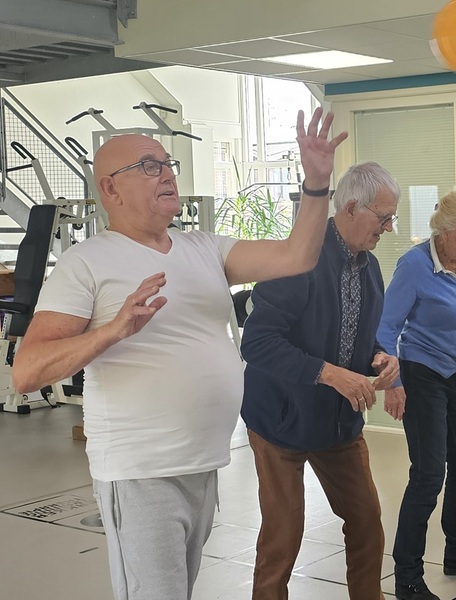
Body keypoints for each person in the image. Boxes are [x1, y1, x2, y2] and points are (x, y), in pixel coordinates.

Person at [11, 107, 345, 600]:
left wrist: (317, 185)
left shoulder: (205, 248)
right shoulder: (86, 262)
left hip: (200, 464)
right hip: (140, 470)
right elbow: (26, 371)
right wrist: (113, 331)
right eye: (149, 165)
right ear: (110, 189)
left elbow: (297, 256)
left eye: (167, 163)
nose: (167, 172)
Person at [239, 161, 401, 600]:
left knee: (367, 520)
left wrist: (381, 360)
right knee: (284, 531)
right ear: (351, 208)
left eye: (392, 217)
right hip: (280, 421)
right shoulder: (297, 259)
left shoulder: (369, 267)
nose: (388, 227)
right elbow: (256, 344)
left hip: (337, 424)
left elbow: (355, 342)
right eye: (383, 217)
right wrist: (330, 375)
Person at [377, 191, 456, 600]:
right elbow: (385, 329)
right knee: (429, 474)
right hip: (423, 374)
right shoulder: (414, 266)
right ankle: (408, 576)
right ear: (443, 231)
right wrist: (392, 384)